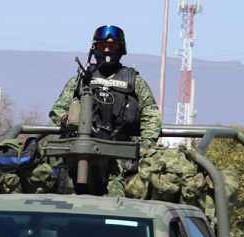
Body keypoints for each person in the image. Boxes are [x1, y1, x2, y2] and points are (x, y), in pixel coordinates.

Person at [48, 25, 162, 196]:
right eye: (103, 47)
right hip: (81, 156)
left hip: (119, 159)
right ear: (95, 49)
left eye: (112, 47)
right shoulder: (80, 79)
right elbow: (57, 109)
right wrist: (69, 120)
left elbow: (151, 115)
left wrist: (145, 147)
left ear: (121, 49)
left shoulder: (135, 82)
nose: (107, 51)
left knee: (116, 207)